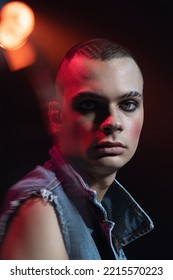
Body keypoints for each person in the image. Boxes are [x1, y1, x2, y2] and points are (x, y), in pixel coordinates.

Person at [0, 38, 154, 260]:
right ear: (57, 119)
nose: (112, 121)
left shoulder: (97, 214)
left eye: (127, 104)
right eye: (89, 105)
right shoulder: (41, 211)